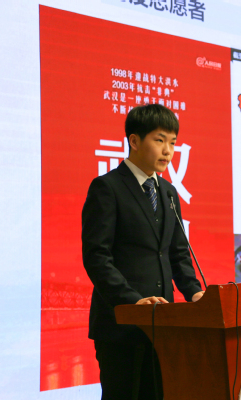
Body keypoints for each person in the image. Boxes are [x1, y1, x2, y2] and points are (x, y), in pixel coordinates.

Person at [82, 104, 204, 400]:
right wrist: (133, 301)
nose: (168, 151)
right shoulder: (107, 187)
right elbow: (97, 257)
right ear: (134, 141)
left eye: (173, 142)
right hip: (120, 325)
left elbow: (177, 254)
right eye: (160, 140)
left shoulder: (168, 192)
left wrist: (195, 293)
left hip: (163, 324)